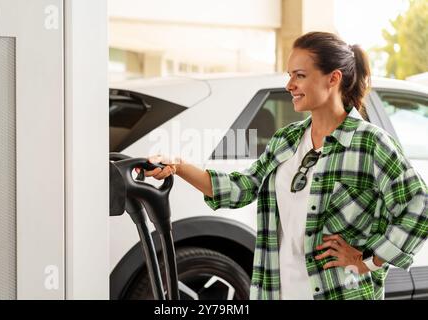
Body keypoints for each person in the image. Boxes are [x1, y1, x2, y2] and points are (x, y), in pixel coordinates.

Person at [138, 32, 428, 300]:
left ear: (333, 78)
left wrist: (369, 259)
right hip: (277, 291)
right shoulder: (287, 139)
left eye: (300, 76)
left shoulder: (370, 143)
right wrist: (178, 166)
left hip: (338, 293)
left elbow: (420, 205)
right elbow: (242, 187)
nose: (290, 85)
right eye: (290, 75)